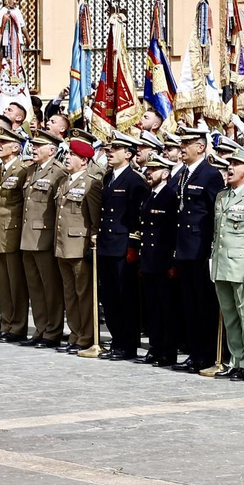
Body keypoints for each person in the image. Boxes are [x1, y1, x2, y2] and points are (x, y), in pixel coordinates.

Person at [172, 126, 224, 373]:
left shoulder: (210, 174)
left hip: (200, 249)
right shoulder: (183, 174)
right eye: (181, 143)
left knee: (204, 305)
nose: (182, 148)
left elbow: (215, 214)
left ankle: (206, 354)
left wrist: (212, 250)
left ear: (201, 147)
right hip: (184, 248)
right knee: (188, 304)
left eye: (187, 143)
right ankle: (194, 352)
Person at [211, 151, 244, 379]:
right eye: (229, 164)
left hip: (241, 266)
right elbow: (217, 232)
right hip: (222, 264)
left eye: (236, 164)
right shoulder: (222, 196)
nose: (230, 168)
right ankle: (235, 359)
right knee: (230, 316)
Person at [97, 134, 146, 360]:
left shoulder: (134, 180)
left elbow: (137, 217)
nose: (110, 151)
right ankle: (117, 340)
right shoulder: (108, 178)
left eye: (116, 148)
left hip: (123, 245)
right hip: (107, 244)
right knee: (109, 298)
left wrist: (133, 246)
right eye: (109, 148)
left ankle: (128, 344)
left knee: (125, 297)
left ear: (128, 154)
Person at [54, 136, 102, 353]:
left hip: (80, 245)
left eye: (73, 155)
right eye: (67, 154)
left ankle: (86, 335)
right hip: (63, 244)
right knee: (69, 293)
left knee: (84, 293)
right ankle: (75, 332)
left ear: (84, 160)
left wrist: (92, 241)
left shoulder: (91, 182)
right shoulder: (64, 181)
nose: (67, 157)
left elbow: (94, 218)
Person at [0, 127, 30, 343]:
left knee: (15, 282)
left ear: (16, 147)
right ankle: (6, 323)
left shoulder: (23, 169)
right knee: (2, 281)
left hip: (13, 231)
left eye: (4, 142)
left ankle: (18, 326)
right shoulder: (1, 169)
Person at [137, 155, 179, 365]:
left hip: (163, 261)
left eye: (153, 169)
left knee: (166, 309)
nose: (148, 172)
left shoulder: (171, 196)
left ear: (165, 173)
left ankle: (167, 350)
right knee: (152, 308)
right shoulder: (147, 196)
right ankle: (155, 347)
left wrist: (172, 262)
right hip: (148, 259)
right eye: (148, 168)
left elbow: (173, 231)